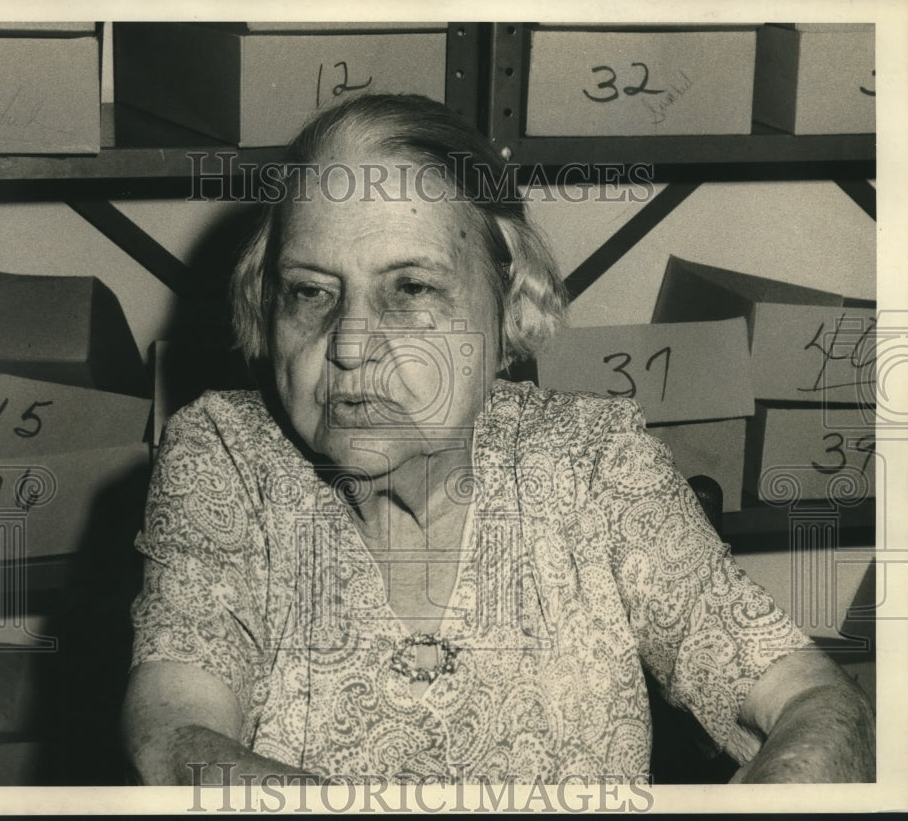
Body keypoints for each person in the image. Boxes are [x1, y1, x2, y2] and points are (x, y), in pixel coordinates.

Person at [121, 93, 875, 785]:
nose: (350, 343)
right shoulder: (226, 455)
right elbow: (174, 732)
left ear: (505, 305)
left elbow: (812, 702)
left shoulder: (594, 461)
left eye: (410, 289)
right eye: (310, 292)